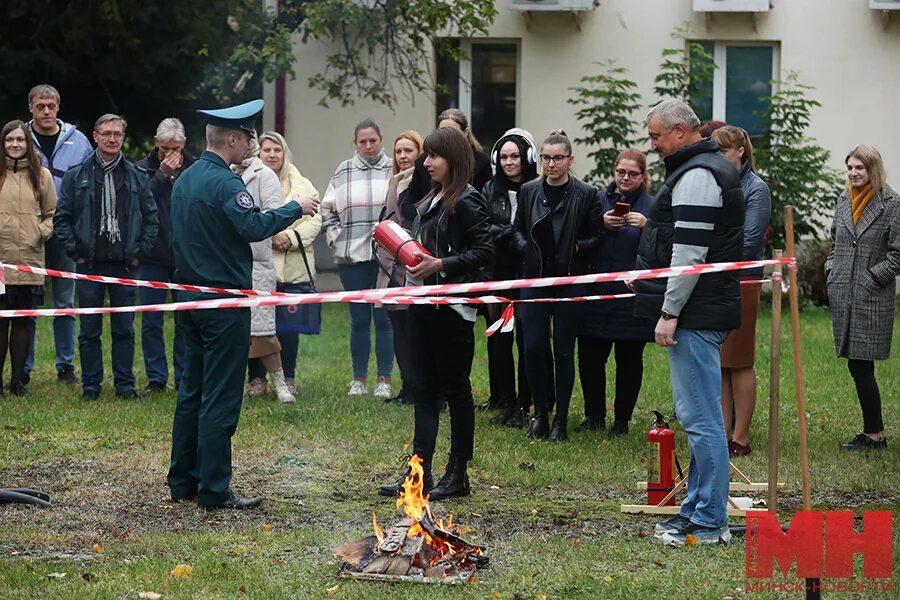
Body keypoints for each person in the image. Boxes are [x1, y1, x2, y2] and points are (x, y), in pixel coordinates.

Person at [167, 99, 318, 510]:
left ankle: (182, 480)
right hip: (223, 302)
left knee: (192, 390)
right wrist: (295, 208)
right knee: (220, 394)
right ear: (232, 140)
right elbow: (254, 227)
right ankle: (215, 489)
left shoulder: (185, 179)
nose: (252, 143)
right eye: (249, 137)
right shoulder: (227, 184)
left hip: (188, 298)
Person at [634, 100, 744, 547]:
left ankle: (711, 520)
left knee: (701, 420)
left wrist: (669, 312)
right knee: (701, 417)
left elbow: (690, 254)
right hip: (701, 310)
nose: (653, 144)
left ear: (681, 131)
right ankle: (696, 508)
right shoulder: (700, 168)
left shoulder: (699, 175)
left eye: (657, 136)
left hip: (695, 313)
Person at [378, 126, 493, 501]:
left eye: (434, 156)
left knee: (456, 391)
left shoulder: (468, 200)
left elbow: (485, 253)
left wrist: (440, 264)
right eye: (426, 155)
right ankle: (418, 473)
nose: (426, 162)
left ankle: (458, 474)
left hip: (452, 311)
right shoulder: (432, 197)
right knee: (423, 390)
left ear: (454, 159)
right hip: (422, 305)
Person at [53, 114, 159, 401]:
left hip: (126, 264)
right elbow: (61, 219)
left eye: (118, 134)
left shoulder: (137, 175)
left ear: (123, 138)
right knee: (89, 329)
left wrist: (140, 253)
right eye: (107, 133)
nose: (112, 139)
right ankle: (91, 386)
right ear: (95, 137)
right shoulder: (78, 174)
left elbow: (151, 218)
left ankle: (125, 386)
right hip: (90, 264)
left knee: (124, 328)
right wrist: (77, 252)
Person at [511, 130, 604, 442]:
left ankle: (560, 420)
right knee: (534, 347)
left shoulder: (586, 194)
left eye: (557, 158)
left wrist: (575, 248)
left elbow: (598, 236)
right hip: (535, 277)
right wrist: (528, 249)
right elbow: (517, 230)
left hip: (568, 280)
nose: (551, 164)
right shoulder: (528, 191)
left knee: (563, 351)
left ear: (570, 160)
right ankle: (540, 412)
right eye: (546, 158)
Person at [825, 144, 900, 452]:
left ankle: (874, 435)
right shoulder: (844, 199)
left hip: (871, 297)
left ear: (874, 169)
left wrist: (871, 277)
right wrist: (832, 268)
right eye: (850, 168)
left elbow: (898, 255)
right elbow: (834, 241)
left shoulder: (891, 204)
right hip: (844, 292)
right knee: (857, 364)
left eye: (860, 168)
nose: (854, 173)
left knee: (862, 365)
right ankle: (873, 433)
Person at [576, 149, 655, 435]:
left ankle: (622, 420)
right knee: (589, 357)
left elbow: (663, 246)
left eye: (632, 174)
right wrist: (601, 224)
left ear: (643, 176)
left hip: (630, 296)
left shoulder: (652, 205)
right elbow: (579, 236)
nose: (625, 178)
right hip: (595, 292)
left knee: (629, 360)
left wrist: (648, 227)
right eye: (621, 172)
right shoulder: (596, 200)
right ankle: (593, 416)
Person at [24, 84, 93, 386]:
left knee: (65, 302)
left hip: (66, 232)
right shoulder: (17, 139)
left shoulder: (78, 141)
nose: (47, 112)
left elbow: (90, 185)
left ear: (59, 107)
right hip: (28, 234)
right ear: (31, 109)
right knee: (26, 302)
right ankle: (22, 367)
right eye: (40, 106)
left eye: (51, 106)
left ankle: (65, 366)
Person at [321, 118, 394, 398]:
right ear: (355, 143)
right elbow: (327, 211)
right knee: (359, 319)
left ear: (381, 140)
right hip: (352, 256)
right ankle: (359, 379)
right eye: (362, 142)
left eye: (372, 141)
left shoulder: (393, 169)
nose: (367, 146)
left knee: (384, 318)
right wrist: (335, 238)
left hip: (386, 259)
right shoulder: (343, 171)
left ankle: (384, 379)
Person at [710, 126, 771, 456]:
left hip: (742, 279)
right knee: (721, 360)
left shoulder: (756, 188)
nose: (717, 157)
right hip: (717, 278)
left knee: (740, 359)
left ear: (740, 152)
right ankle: (722, 433)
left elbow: (750, 243)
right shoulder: (718, 183)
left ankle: (741, 438)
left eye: (722, 151)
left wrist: (714, 258)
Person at [481, 128, 540, 427]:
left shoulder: (538, 188)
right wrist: (510, 233)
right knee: (500, 340)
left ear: (527, 157)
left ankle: (526, 404)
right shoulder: (489, 190)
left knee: (527, 340)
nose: (509, 162)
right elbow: (483, 229)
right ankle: (506, 401)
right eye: (503, 157)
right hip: (500, 274)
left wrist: (512, 236)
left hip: (529, 274)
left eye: (514, 156)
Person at [232, 132, 295, 404]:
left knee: (263, 331)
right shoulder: (225, 171)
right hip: (227, 263)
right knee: (231, 331)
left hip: (257, 262)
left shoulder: (265, 175)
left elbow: (273, 216)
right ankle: (237, 386)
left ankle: (280, 384)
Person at [258, 131, 322, 396]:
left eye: (277, 150)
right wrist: (271, 235)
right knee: (258, 326)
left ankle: (289, 378)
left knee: (288, 328)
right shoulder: (249, 180)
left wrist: (291, 237)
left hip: (295, 268)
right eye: (266, 150)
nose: (272, 155)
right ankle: (257, 379)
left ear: (284, 154)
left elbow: (316, 219)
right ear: (258, 153)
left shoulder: (303, 184)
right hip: (262, 265)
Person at [136, 118, 195, 395]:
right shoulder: (142, 169)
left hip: (186, 256)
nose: (171, 154)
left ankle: (184, 376)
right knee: (151, 321)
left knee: (185, 319)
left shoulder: (195, 168)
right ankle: (156, 378)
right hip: (152, 256)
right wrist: (161, 175)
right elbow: (138, 203)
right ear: (156, 144)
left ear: (183, 144)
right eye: (164, 148)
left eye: (176, 148)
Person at [0, 120, 56, 396]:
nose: (14, 145)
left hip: (30, 260)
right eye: (9, 140)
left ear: (27, 144)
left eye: (20, 140)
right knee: (1, 321)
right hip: (0, 265)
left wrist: (40, 232)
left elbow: (51, 215)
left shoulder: (42, 175)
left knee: (23, 322)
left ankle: (18, 382)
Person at [374, 130, 424, 406]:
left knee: (413, 331)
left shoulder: (421, 179)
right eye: (399, 151)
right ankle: (407, 386)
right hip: (390, 265)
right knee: (398, 329)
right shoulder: (395, 179)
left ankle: (420, 387)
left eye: (409, 151)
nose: (403, 156)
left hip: (413, 265)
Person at [402, 109, 493, 223]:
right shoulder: (425, 168)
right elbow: (409, 202)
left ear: (465, 133)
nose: (427, 163)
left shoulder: (470, 194)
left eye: (452, 131)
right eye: (442, 131)